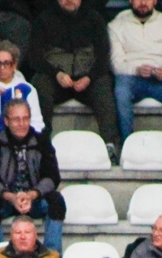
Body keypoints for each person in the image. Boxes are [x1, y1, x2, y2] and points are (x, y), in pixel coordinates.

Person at [30, 0, 121, 151]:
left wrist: (89, 77)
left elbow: (103, 56)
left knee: (103, 84)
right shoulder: (43, 19)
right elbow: (35, 58)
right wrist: (57, 74)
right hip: (56, 80)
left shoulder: (94, 18)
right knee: (40, 83)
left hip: (87, 81)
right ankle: (42, 144)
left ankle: (110, 145)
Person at [0, 99, 66, 253]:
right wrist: (11, 197)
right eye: (16, 119)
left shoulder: (41, 141)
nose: (22, 123)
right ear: (6, 121)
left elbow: (52, 177)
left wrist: (31, 195)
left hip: (33, 199)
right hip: (5, 199)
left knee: (57, 201)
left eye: (26, 118)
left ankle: (52, 256)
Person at [109, 0, 162, 139]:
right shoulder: (116, 25)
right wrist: (136, 70)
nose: (143, 3)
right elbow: (116, 63)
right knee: (121, 91)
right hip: (131, 77)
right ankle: (126, 144)